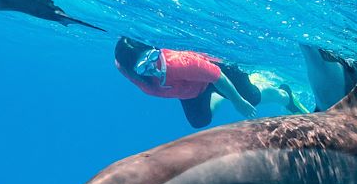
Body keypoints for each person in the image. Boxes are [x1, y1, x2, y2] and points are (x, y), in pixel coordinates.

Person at [114, 37, 308, 128]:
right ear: (133, 72)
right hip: (192, 90)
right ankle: (220, 97)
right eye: (143, 67)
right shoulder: (131, 73)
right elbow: (119, 63)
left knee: (252, 98)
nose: (153, 67)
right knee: (200, 121)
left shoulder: (178, 64)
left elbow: (218, 77)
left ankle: (285, 96)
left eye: (153, 57)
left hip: (217, 75)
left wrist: (238, 101)